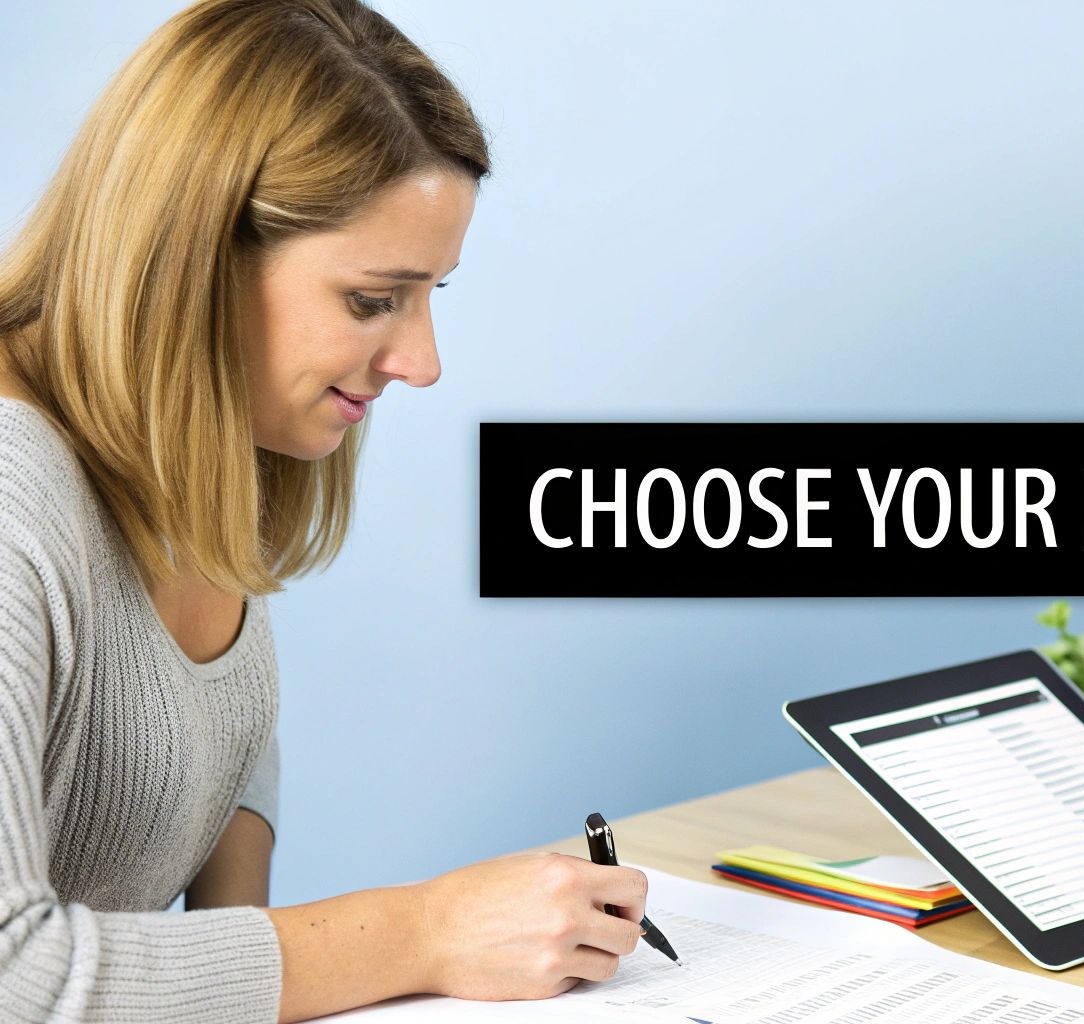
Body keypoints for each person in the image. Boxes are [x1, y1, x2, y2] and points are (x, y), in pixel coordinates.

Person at [0, 2, 651, 1021]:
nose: (421, 362)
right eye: (370, 299)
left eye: (431, 291)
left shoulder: (208, 434)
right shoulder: (10, 497)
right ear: (196, 261)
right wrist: (424, 932)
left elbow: (221, 745)